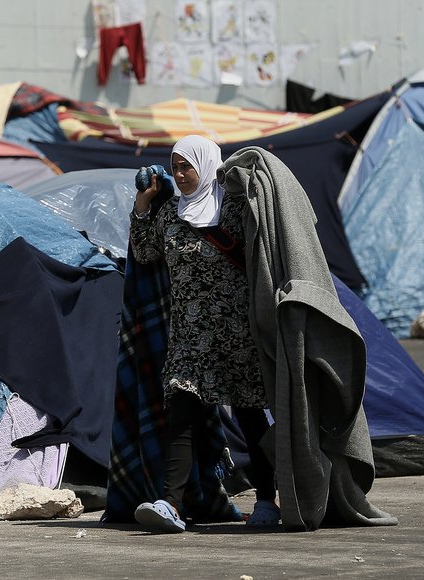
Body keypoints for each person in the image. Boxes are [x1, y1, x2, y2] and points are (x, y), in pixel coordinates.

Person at [129, 135, 279, 533]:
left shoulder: (235, 207)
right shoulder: (171, 212)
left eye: (187, 167)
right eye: (175, 167)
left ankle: (267, 500)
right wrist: (143, 205)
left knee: (249, 415)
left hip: (237, 334)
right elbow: (145, 253)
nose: (179, 175)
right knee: (182, 413)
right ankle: (170, 504)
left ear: (207, 165)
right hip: (189, 336)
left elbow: (268, 251)